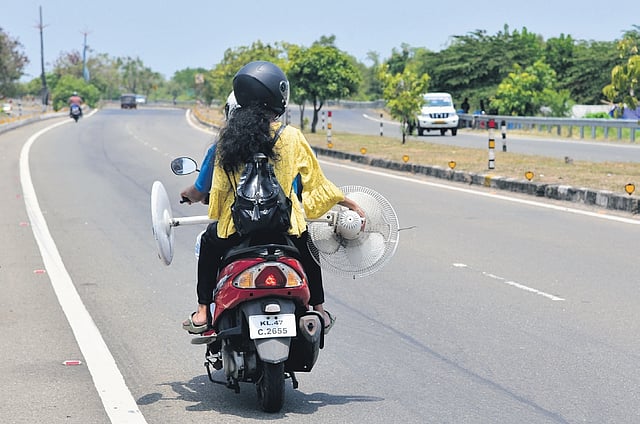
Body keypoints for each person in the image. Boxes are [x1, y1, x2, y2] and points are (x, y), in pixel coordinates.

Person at [182, 60, 365, 335]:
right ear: (277, 96)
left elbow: (216, 191)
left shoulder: (226, 142)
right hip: (285, 229)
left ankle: (202, 311)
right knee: (308, 246)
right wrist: (349, 203)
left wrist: (208, 206)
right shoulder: (291, 137)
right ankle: (320, 309)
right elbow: (316, 183)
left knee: (209, 245)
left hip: (237, 230)